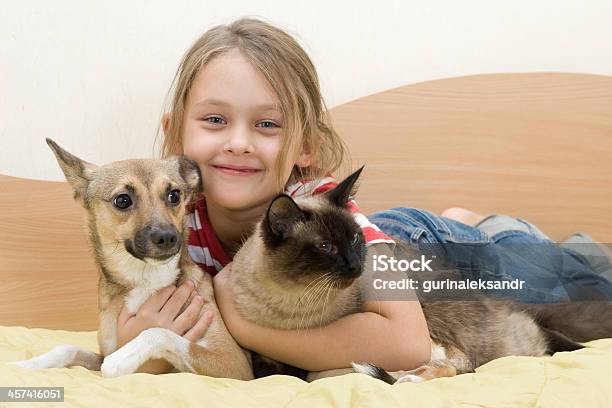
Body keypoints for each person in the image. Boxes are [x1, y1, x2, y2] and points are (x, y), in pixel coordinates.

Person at [115, 17, 612, 376]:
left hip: (433, 256)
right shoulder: (170, 222)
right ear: (176, 134)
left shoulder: (322, 205)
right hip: (378, 256)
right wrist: (137, 339)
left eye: (267, 124)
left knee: (584, 286)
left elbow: (407, 341)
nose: (239, 141)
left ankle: (495, 227)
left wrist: (243, 324)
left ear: (305, 145)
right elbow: (150, 336)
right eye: (215, 120)